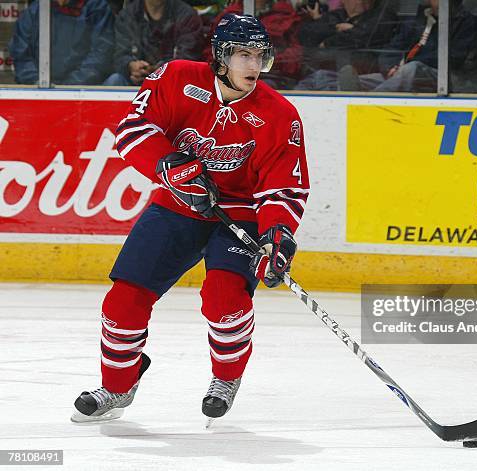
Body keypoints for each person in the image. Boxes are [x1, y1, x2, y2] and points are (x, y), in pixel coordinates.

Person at [71, 14, 310, 423]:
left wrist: (277, 236)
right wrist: (167, 165)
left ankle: (226, 378)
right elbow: (133, 129)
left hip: (242, 215)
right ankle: (117, 384)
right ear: (220, 56)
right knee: (122, 303)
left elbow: (283, 187)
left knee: (225, 301)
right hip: (176, 206)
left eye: (260, 57)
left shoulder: (279, 114)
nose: (253, 66)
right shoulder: (177, 77)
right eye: (243, 55)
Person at [296, 0, 476, 92]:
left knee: (411, 69)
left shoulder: (464, 21)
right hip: (400, 73)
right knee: (323, 77)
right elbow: (394, 46)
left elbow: (452, 56)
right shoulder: (419, 18)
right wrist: (389, 66)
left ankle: (368, 102)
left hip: (438, 75)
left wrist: (401, 67)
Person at [203, 0, 305, 89]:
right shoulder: (229, 16)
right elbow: (211, 52)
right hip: (230, 76)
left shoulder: (285, 13)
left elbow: (296, 55)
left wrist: (268, 59)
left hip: (274, 77)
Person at [295, 0, 397, 88]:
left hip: (362, 70)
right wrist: (336, 29)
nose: (361, 1)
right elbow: (307, 34)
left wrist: (328, 42)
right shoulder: (336, 16)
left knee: (322, 80)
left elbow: (365, 37)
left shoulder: (382, 16)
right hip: (325, 70)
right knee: (312, 82)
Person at [9, 0, 114, 85]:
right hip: (40, 90)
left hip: (84, 90)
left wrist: (68, 88)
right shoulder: (33, 11)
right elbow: (21, 57)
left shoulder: (97, 8)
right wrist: (37, 83)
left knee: (115, 80)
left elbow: (101, 57)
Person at [104, 0, 204, 86]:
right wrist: (131, 66)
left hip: (172, 82)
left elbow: (188, 59)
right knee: (115, 80)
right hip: (134, 81)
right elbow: (119, 55)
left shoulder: (187, 16)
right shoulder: (127, 15)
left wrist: (157, 70)